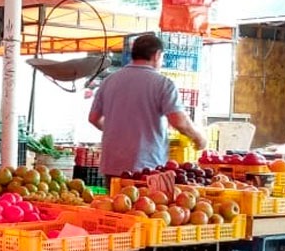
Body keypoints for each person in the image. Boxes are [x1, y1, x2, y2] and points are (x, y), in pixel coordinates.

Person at [88, 33, 206, 177]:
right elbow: (179, 121)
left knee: (114, 199)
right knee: (145, 200)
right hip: (146, 167)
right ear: (157, 55)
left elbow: (94, 118)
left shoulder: (109, 81)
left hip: (112, 165)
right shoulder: (163, 84)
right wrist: (198, 137)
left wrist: (118, 132)